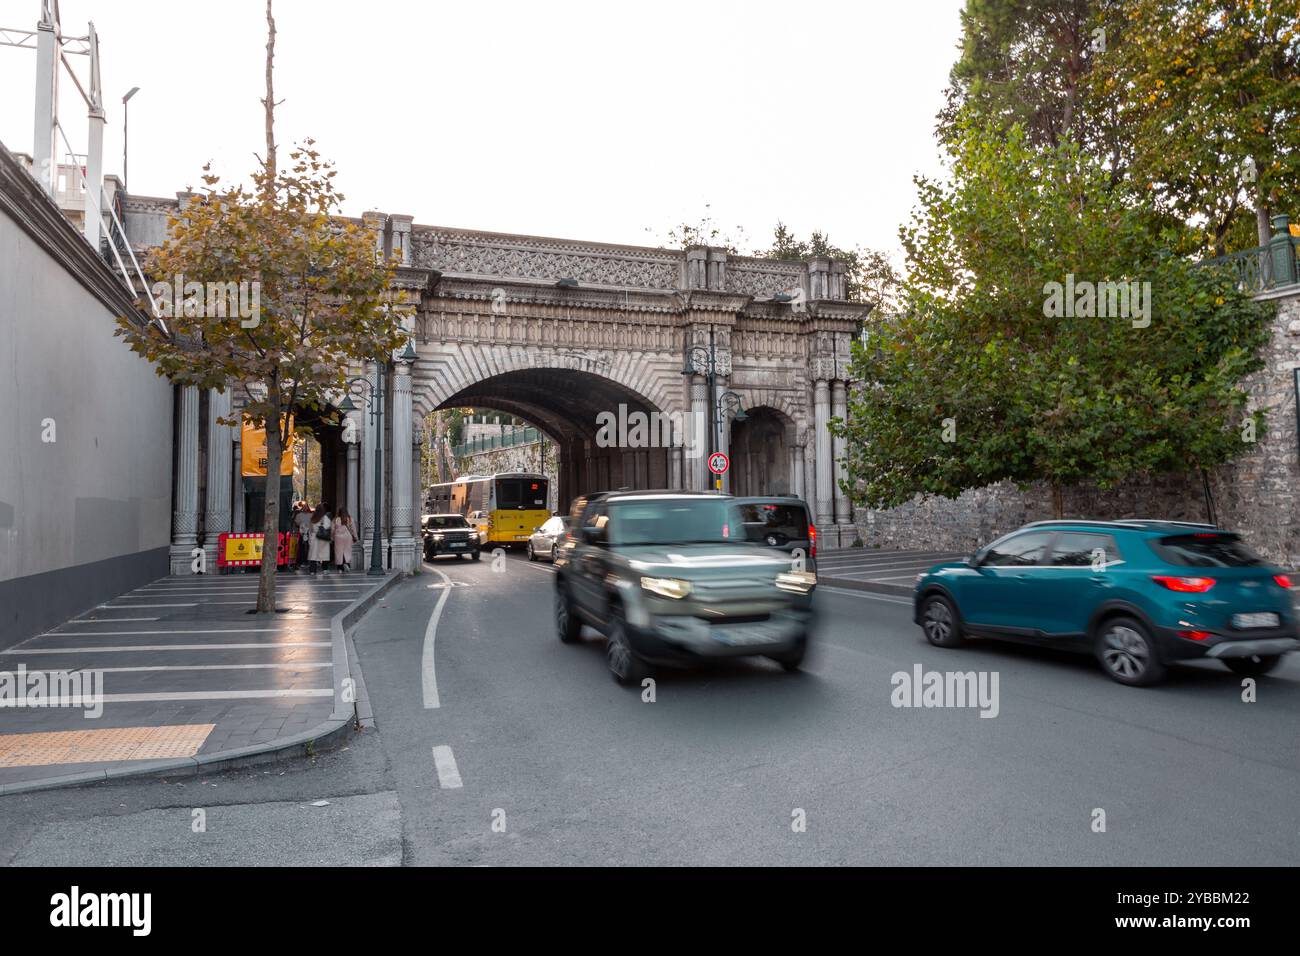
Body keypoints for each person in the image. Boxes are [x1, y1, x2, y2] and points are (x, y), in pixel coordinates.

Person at [307, 503, 332, 574]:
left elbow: (310, 529)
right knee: (324, 554)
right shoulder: (325, 517)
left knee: (313, 555)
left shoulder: (313, 518)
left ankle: (312, 570)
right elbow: (328, 526)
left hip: (314, 537)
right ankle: (325, 569)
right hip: (323, 538)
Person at [332, 508, 357, 574]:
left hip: (338, 537)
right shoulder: (350, 519)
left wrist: (332, 537)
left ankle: (340, 568)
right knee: (347, 551)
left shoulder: (336, 519)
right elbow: (353, 529)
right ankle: (347, 563)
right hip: (347, 537)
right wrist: (355, 537)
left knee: (339, 552)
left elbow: (332, 530)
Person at [293, 501, 312, 571]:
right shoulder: (299, 515)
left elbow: (313, 523)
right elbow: (296, 523)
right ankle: (301, 561)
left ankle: (309, 560)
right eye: (304, 506)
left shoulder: (311, 515)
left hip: (309, 533)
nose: (305, 508)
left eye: (306, 506)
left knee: (310, 547)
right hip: (301, 533)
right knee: (301, 547)